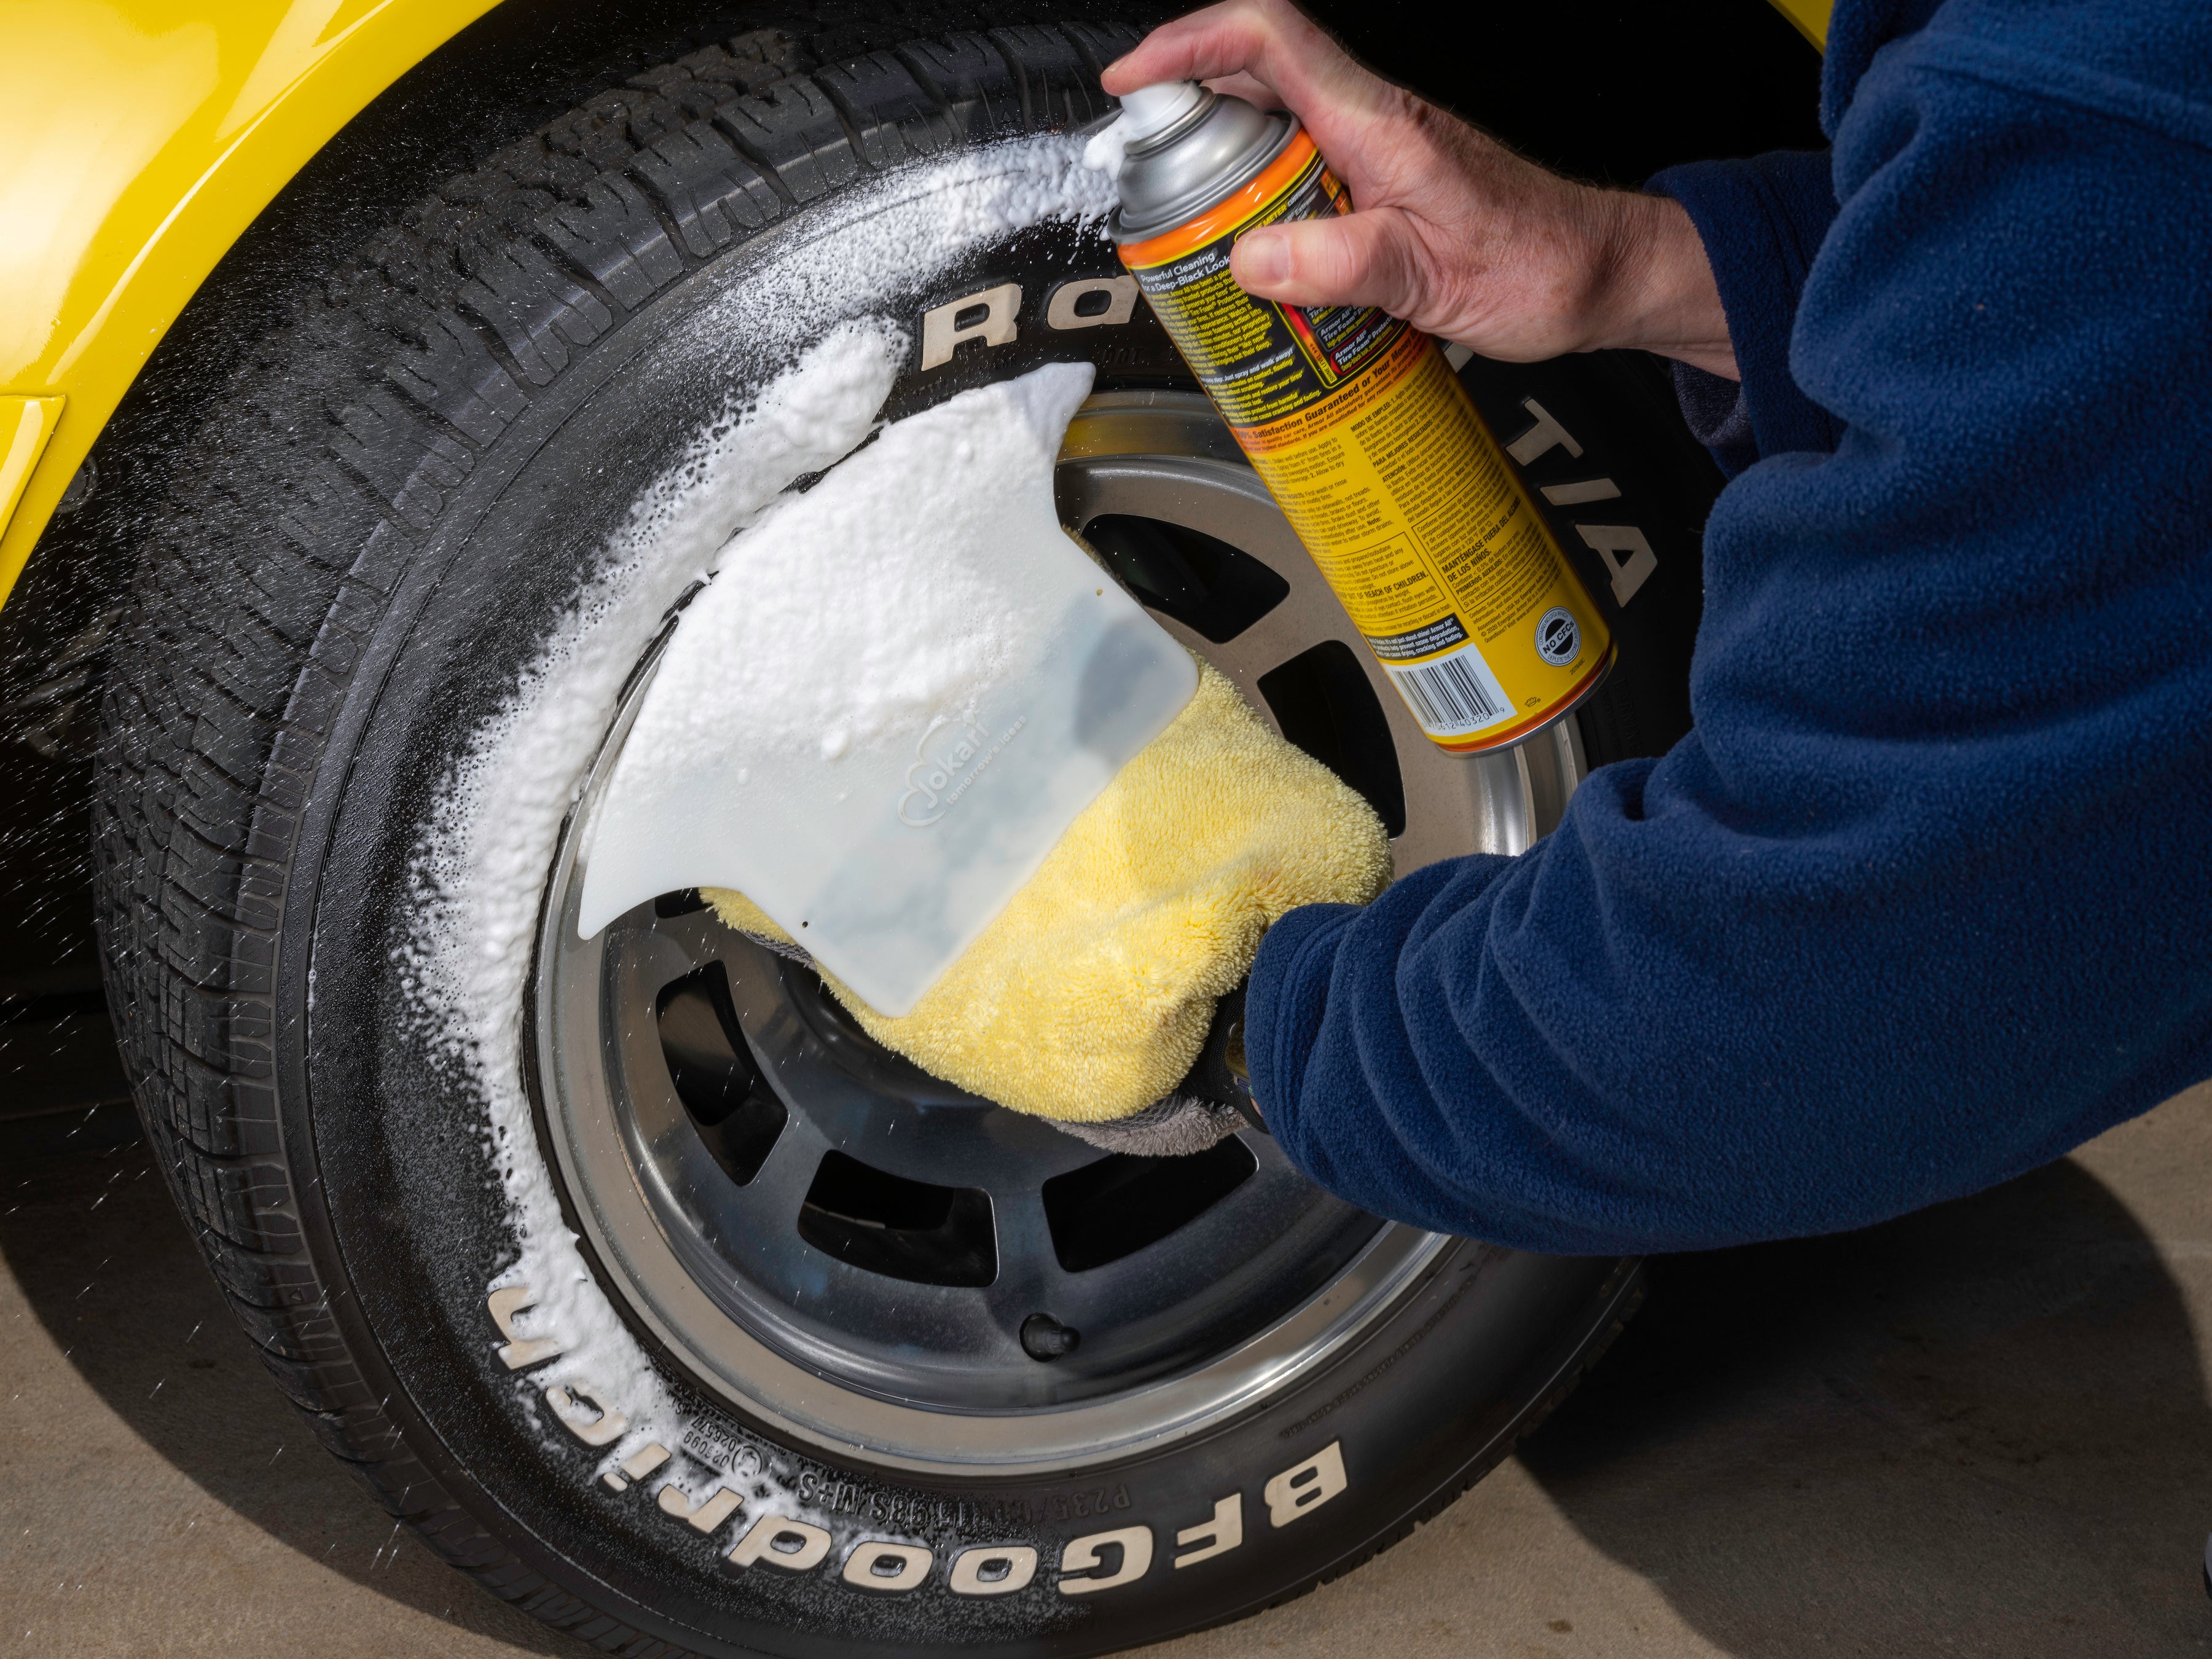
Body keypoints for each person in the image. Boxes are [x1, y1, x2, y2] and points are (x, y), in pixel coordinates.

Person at [1102, 0, 2212, 1253]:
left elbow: (1781, 1011)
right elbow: (2063, 308)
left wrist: (1192, 998)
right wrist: (1647, 270)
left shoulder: (2105, 80)